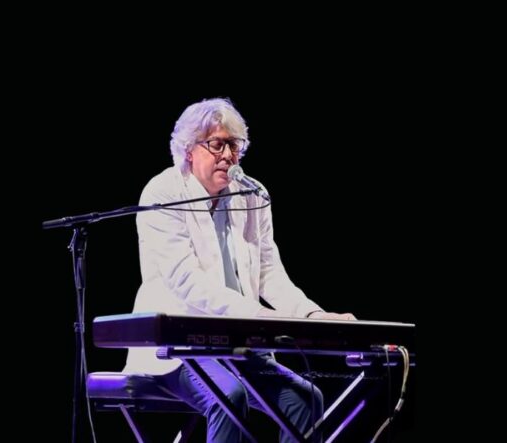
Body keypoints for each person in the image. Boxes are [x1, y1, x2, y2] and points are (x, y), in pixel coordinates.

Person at [123, 97, 356, 442]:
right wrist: (257, 315)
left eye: (235, 146)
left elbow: (269, 272)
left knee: (306, 399)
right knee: (229, 397)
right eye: (217, 145)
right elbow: (186, 280)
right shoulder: (163, 191)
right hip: (176, 348)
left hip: (234, 347)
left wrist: (311, 315)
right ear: (189, 149)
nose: (228, 156)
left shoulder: (251, 194)